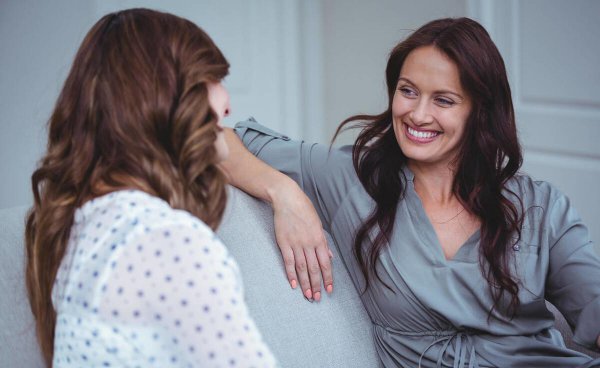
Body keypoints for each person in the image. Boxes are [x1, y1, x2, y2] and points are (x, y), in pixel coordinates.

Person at [221, 17, 600, 367]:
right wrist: (284, 193)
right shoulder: (350, 178)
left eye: (443, 100)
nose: (418, 114)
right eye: (408, 91)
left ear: (479, 111)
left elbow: (593, 305)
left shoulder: (541, 206)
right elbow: (211, 138)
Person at [25, 8, 276, 368]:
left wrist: (281, 191)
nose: (227, 104)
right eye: (212, 79)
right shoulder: (169, 242)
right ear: (164, 97)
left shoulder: (84, 227)